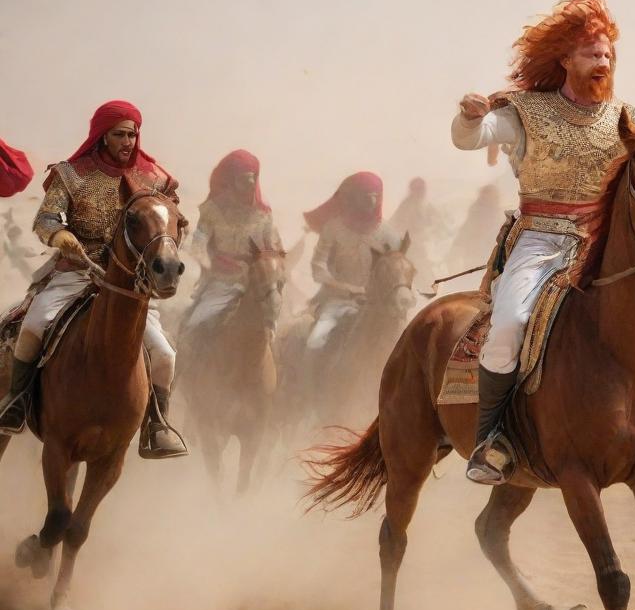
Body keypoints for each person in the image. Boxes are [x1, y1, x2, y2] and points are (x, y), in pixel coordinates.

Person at [451, 0, 635, 485]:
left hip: (605, 244)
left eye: (607, 55)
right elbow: (469, 139)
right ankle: (492, 439)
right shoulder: (526, 112)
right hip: (540, 239)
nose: (602, 62)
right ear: (565, 59)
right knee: (509, 324)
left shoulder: (631, 119)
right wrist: (470, 116)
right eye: (591, 54)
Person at [0, 101, 187, 457]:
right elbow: (46, 220)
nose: (128, 141)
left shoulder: (154, 178)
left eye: (133, 134)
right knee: (33, 325)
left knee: (164, 352)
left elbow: (174, 220)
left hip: (128, 284)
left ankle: (158, 424)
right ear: (102, 136)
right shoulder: (73, 174)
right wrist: (59, 237)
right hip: (74, 273)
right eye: (120, 134)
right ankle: (17, 402)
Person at [179, 150, 281, 337]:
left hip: (258, 283)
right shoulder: (211, 210)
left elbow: (273, 251)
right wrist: (215, 263)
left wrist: (267, 267)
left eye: (252, 179)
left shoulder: (264, 214)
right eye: (243, 180)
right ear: (231, 181)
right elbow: (198, 247)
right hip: (222, 282)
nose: (249, 186)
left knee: (275, 330)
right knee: (192, 326)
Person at [304, 172, 400, 356]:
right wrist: (345, 287)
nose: (371, 202)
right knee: (314, 343)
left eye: (375, 197)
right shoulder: (333, 228)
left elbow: (397, 272)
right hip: (338, 301)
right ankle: (308, 384)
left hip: (377, 306)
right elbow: (318, 268)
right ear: (352, 199)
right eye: (365, 197)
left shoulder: (389, 234)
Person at [388, 177, 444, 287]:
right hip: (411, 245)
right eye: (420, 189)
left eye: (422, 189)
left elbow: (435, 218)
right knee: (423, 275)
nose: (423, 192)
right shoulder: (408, 205)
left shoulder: (421, 204)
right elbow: (400, 224)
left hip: (417, 244)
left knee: (424, 273)